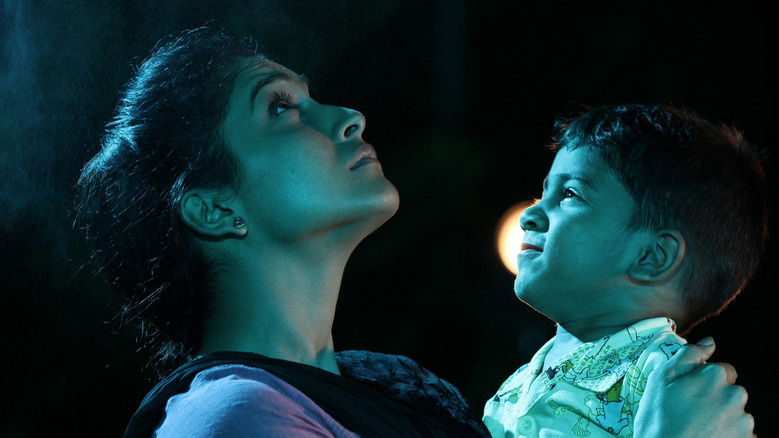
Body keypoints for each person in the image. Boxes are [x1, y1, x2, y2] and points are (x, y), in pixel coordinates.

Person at [74, 26, 756, 437]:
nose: (347, 115)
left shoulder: (403, 397)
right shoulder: (233, 420)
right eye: (280, 108)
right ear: (214, 207)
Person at [483, 104, 767, 437]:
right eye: (544, 193)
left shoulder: (671, 383)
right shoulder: (516, 383)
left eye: (570, 194)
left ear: (652, 257)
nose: (528, 215)